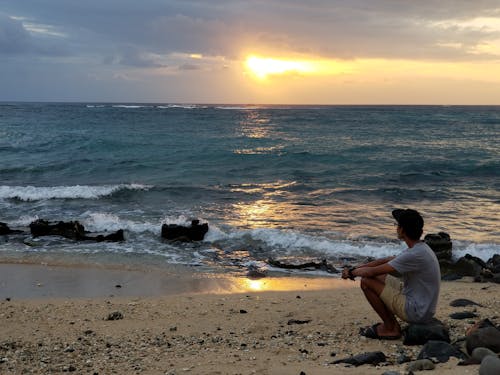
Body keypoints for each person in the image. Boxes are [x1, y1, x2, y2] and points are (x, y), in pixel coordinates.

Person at [342, 208, 441, 340]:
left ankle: (390, 328)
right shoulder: (420, 248)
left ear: (402, 230)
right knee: (377, 277)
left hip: (417, 311)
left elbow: (370, 272)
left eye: (397, 225)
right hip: (423, 305)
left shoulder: (413, 254)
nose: (396, 228)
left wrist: (351, 273)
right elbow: (385, 261)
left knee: (366, 281)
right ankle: (390, 325)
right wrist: (354, 269)